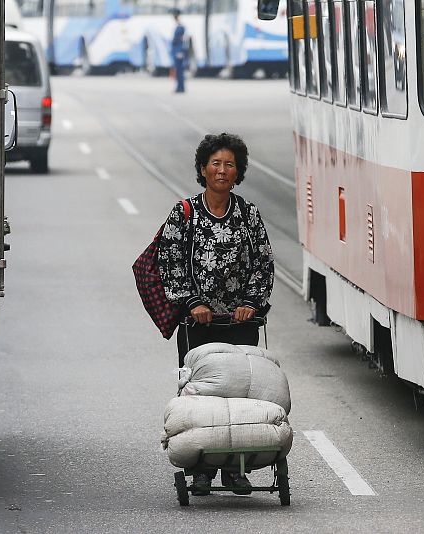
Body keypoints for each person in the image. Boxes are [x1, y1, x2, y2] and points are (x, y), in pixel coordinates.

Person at [157, 132, 275, 496]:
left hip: (240, 325)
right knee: (202, 400)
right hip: (198, 326)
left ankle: (237, 469)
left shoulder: (248, 214)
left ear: (238, 173)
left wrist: (251, 305)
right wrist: (193, 303)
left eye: (229, 165)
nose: (222, 170)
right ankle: (201, 470)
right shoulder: (185, 213)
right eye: (215, 164)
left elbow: (263, 263)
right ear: (203, 170)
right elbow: (170, 261)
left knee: (240, 399)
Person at [171, 10, 187, 93]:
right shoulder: (178, 27)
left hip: (179, 51)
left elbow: (180, 41)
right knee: (178, 70)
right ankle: (179, 87)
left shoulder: (180, 27)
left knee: (179, 71)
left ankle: (181, 87)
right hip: (177, 51)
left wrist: (180, 52)